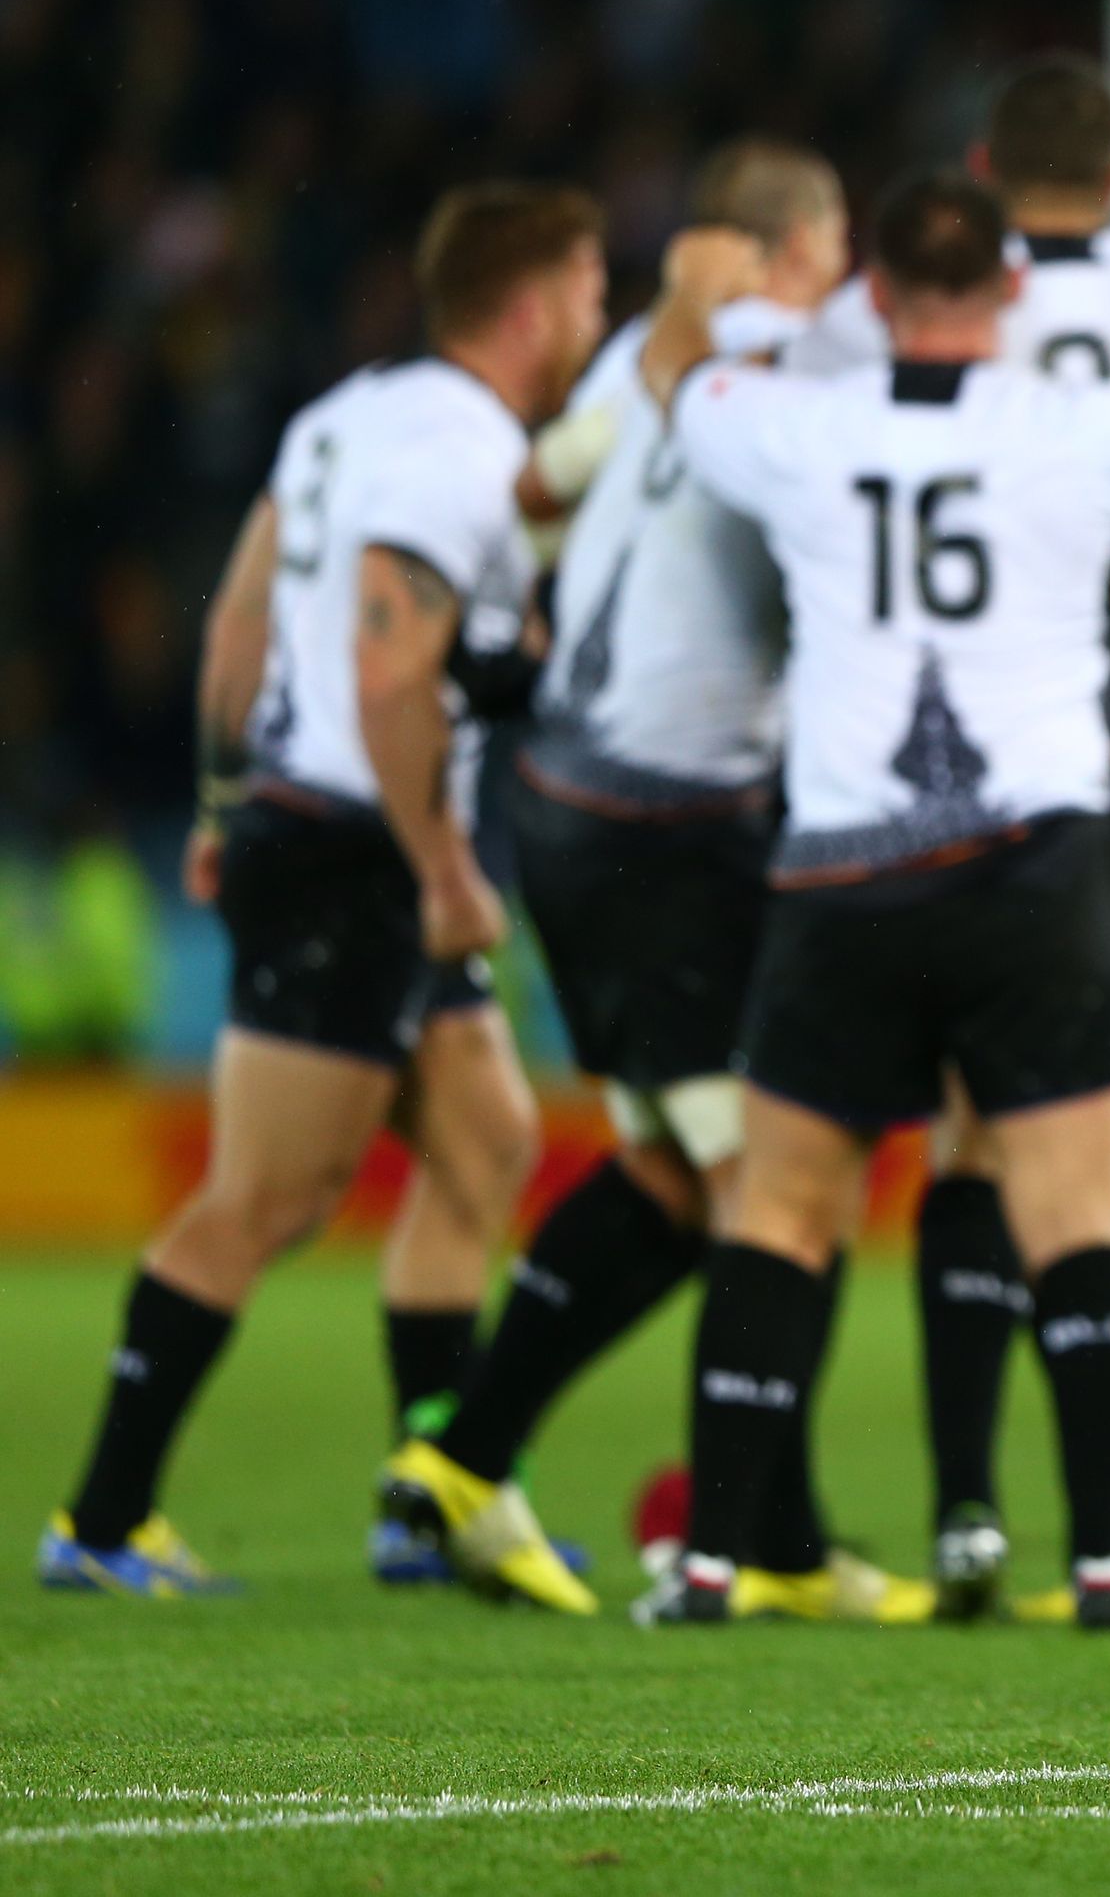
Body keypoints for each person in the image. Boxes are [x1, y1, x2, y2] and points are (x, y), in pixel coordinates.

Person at [628, 170, 1110, 1637]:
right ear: (1011, 293)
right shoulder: (1084, 431)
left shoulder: (805, 430)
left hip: (848, 872)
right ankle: (1107, 1566)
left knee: (785, 1212)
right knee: (1079, 1210)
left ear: (873, 297)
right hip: (1038, 863)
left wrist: (703, 283)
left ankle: (708, 1565)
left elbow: (673, 378)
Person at [379, 142, 931, 1624]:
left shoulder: (638, 353)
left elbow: (529, 482)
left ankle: (467, 1457)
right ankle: (772, 1544)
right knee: (777, 1179)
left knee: (675, 1176)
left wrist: (581, 589)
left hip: (565, 799)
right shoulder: (802, 382)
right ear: (799, 252)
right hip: (669, 827)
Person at [39, 184, 607, 1595]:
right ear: (532, 306)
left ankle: (433, 1502)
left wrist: (227, 796)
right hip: (365, 846)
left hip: (319, 822)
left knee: (482, 1147)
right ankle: (101, 1523)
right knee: (266, 1200)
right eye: (591, 297)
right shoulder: (460, 449)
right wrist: (441, 869)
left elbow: (240, 614)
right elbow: (383, 663)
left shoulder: (345, 415)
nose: (596, 325)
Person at [791, 54, 1110, 1620]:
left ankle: (965, 1512)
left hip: (1020, 780)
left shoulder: (918, 352)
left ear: (990, 177)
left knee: (979, 1133)